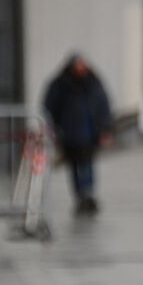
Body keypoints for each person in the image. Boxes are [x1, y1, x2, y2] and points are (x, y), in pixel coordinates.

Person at [43, 53, 113, 215]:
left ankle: (87, 193)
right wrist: (54, 127)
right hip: (70, 134)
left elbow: (103, 106)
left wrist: (105, 129)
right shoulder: (60, 84)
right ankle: (80, 195)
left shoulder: (94, 83)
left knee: (87, 163)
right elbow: (49, 105)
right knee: (75, 165)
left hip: (90, 133)